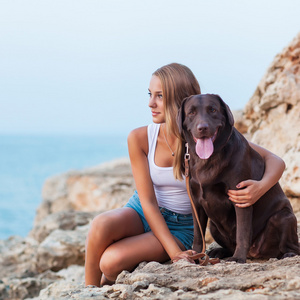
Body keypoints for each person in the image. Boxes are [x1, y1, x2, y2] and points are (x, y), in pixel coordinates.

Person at [85, 63, 286, 287]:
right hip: (143, 211)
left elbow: (275, 161)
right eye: (150, 95)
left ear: (179, 98)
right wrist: (173, 254)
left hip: (181, 226)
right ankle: (87, 292)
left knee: (111, 262)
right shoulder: (140, 137)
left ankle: (106, 283)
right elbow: (148, 202)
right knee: (99, 225)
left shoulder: (208, 137)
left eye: (159, 96)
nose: (151, 103)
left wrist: (259, 189)